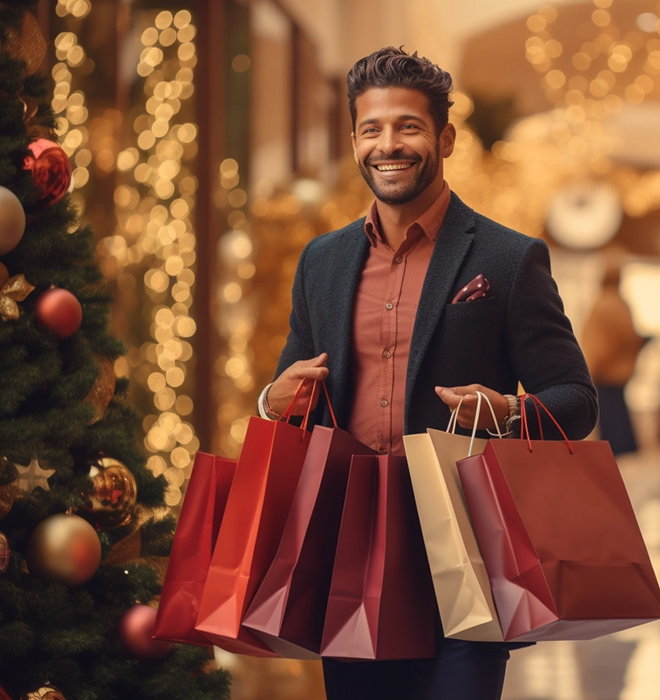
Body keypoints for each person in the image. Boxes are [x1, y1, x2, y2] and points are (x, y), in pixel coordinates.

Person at [256, 47, 598, 700]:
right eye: (372, 128)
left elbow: (576, 400)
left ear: (444, 137)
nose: (389, 144)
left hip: (465, 545)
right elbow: (293, 387)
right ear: (355, 138)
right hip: (350, 549)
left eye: (408, 126)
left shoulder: (509, 258)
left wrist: (505, 412)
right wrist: (272, 399)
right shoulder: (321, 262)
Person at [581, 259, 645, 455]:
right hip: (614, 375)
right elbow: (628, 339)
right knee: (616, 431)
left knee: (611, 431)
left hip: (605, 374)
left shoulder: (602, 305)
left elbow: (597, 346)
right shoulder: (619, 305)